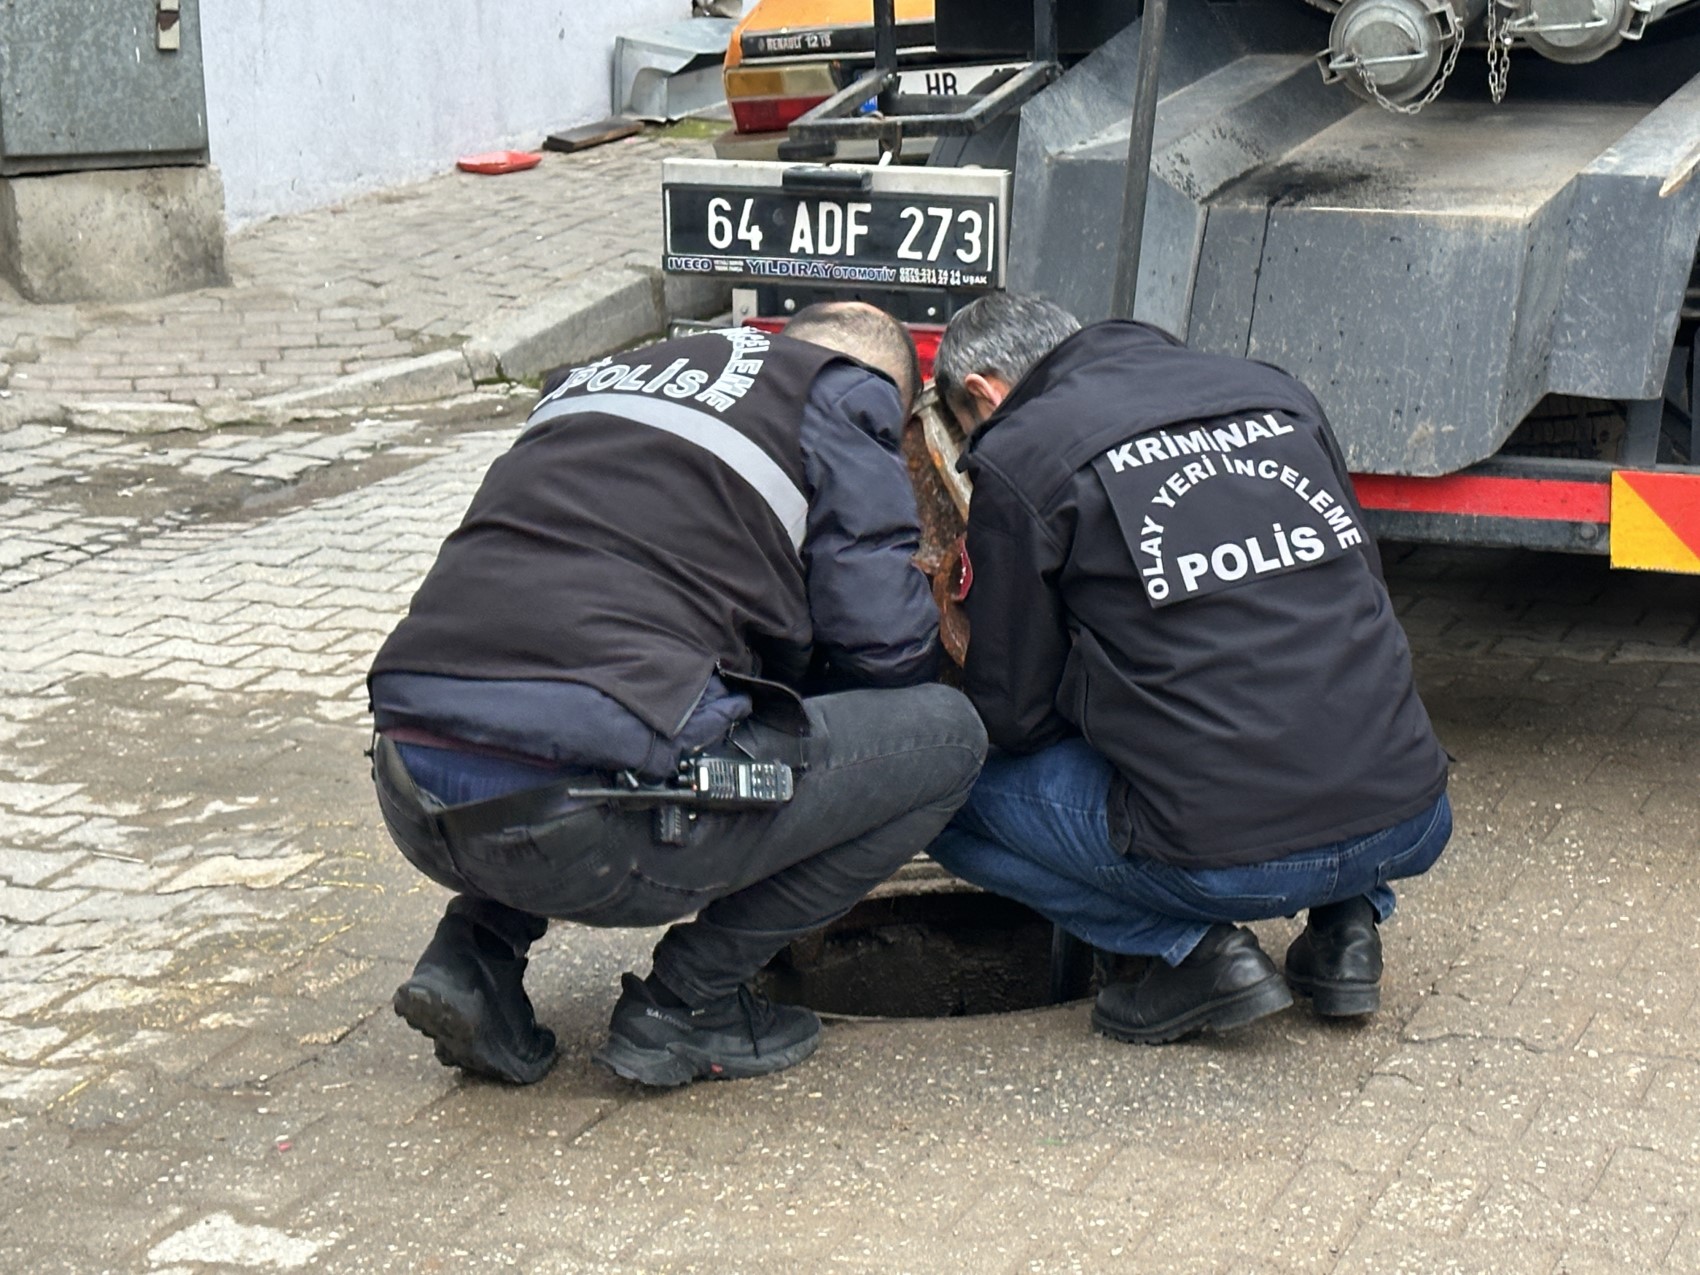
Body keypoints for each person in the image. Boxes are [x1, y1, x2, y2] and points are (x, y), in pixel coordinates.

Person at [368, 302, 986, 1087]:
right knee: (947, 739)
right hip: (598, 824)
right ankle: (689, 1004)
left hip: (410, 787)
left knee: (550, 707)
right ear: (890, 395)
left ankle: (474, 954)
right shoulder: (842, 393)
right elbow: (885, 649)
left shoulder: (601, 380)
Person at [926, 292, 1451, 1044]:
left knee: (941, 792)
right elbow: (1353, 597)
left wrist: (1100, 702)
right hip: (1411, 815)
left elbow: (1012, 714)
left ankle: (1195, 955)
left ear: (983, 392)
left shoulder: (1024, 451)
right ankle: (1347, 929)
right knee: (1303, 671)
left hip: (1232, 862)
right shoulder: (1275, 392)